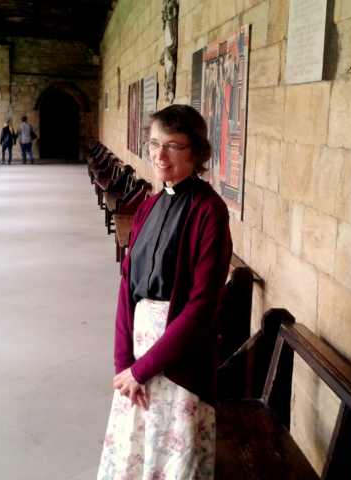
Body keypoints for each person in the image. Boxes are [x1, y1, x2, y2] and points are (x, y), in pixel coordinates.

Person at [97, 104, 233, 480]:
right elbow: (128, 290)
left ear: (197, 152)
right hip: (137, 357)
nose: (159, 155)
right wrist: (123, 364)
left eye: (173, 146)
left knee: (171, 461)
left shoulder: (210, 211)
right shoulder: (148, 206)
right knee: (134, 453)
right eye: (154, 143)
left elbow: (201, 310)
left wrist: (141, 369)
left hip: (180, 359)